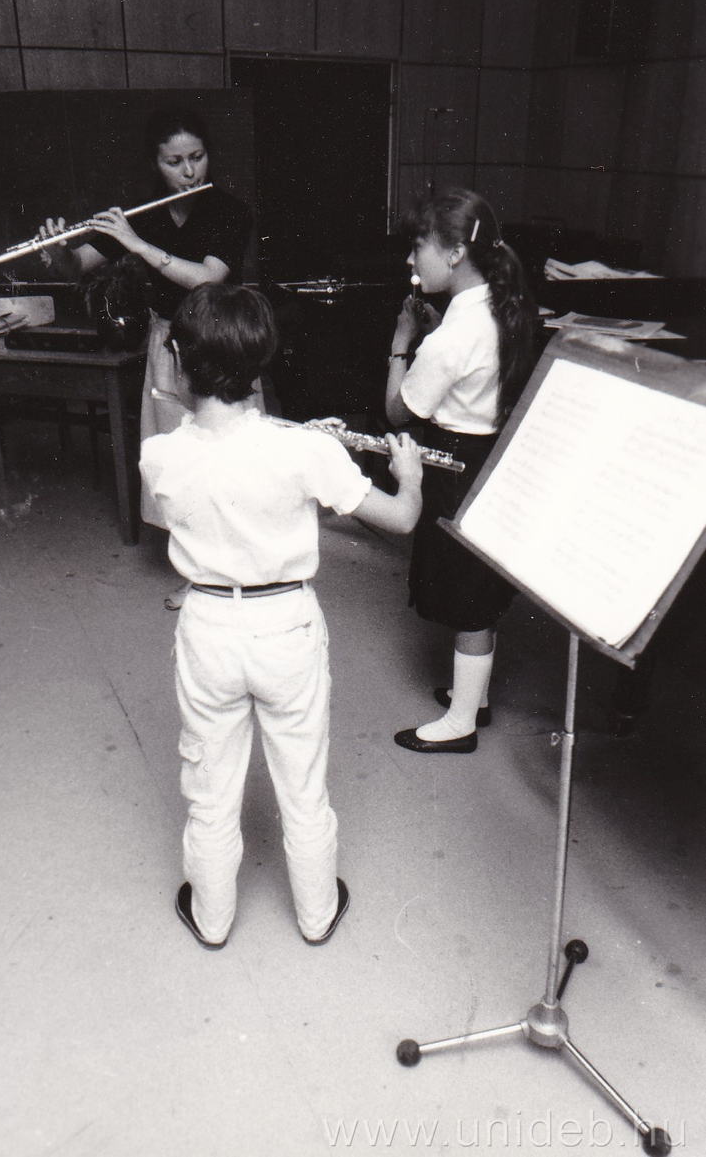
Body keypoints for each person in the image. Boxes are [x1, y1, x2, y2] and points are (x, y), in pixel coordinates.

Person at [139, 283, 423, 948]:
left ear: (179, 361)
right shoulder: (305, 452)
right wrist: (406, 473)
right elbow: (402, 519)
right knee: (302, 781)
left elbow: (203, 440)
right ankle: (317, 913)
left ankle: (211, 917)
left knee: (209, 785)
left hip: (209, 628)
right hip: (287, 628)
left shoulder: (161, 455)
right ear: (262, 362)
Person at [37, 105, 255, 526]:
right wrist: (58, 251)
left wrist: (137, 245)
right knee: (177, 456)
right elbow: (76, 267)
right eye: (174, 162)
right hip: (169, 344)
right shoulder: (142, 213)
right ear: (155, 163)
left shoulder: (230, 211)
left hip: (222, 342)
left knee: (228, 458)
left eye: (197, 158)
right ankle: (188, 547)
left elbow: (208, 278)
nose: (189, 172)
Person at [385, 188, 537, 754]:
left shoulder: (450, 336)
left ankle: (461, 725)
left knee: (468, 598)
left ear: (453, 254)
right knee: (481, 590)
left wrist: (402, 343)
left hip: (455, 465)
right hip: (491, 456)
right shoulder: (498, 303)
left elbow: (399, 410)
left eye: (416, 247)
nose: (410, 259)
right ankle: (475, 698)